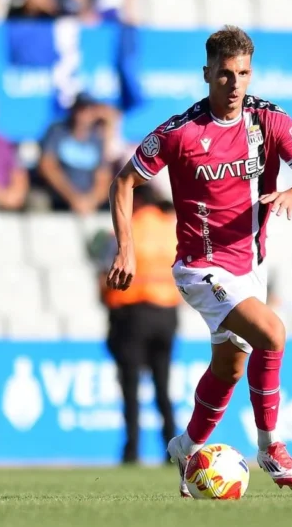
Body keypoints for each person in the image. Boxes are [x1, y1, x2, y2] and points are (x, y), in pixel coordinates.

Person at [106, 26, 292, 495]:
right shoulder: (180, 132)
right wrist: (125, 246)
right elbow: (122, 182)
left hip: (251, 267)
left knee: (229, 368)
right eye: (225, 75)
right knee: (272, 333)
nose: (235, 85)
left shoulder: (270, 121)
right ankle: (269, 446)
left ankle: (187, 448)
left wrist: (291, 193)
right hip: (200, 268)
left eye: (243, 73)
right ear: (207, 73)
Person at [97, 186, 180, 465]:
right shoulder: (170, 228)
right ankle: (172, 449)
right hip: (167, 314)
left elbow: (105, 275)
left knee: (130, 387)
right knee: (163, 387)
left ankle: (131, 451)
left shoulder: (125, 229)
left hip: (132, 313)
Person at [38, 93, 111, 213]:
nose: (83, 114)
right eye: (81, 108)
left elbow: (103, 177)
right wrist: (73, 197)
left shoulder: (97, 139)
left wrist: (91, 200)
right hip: (59, 198)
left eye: (89, 109)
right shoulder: (57, 132)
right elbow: (47, 166)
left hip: (89, 203)